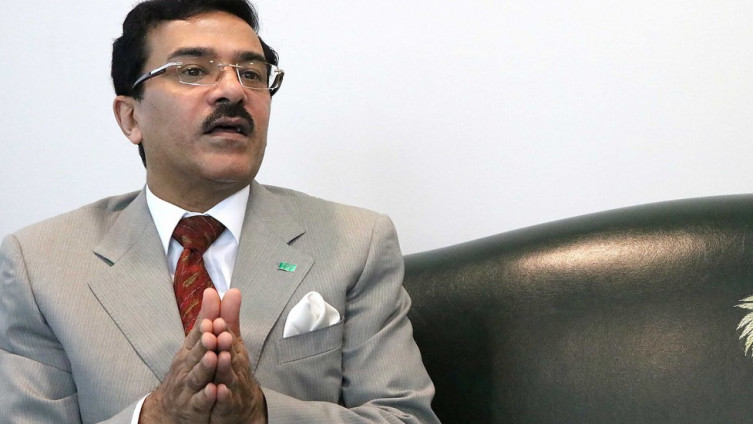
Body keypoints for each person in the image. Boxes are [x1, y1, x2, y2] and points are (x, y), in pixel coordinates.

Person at [0, 0, 439, 423]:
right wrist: (155, 418)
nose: (233, 90)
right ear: (131, 118)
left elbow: (405, 418)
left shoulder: (355, 242)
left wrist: (261, 415)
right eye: (193, 71)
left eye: (252, 74)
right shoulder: (41, 265)